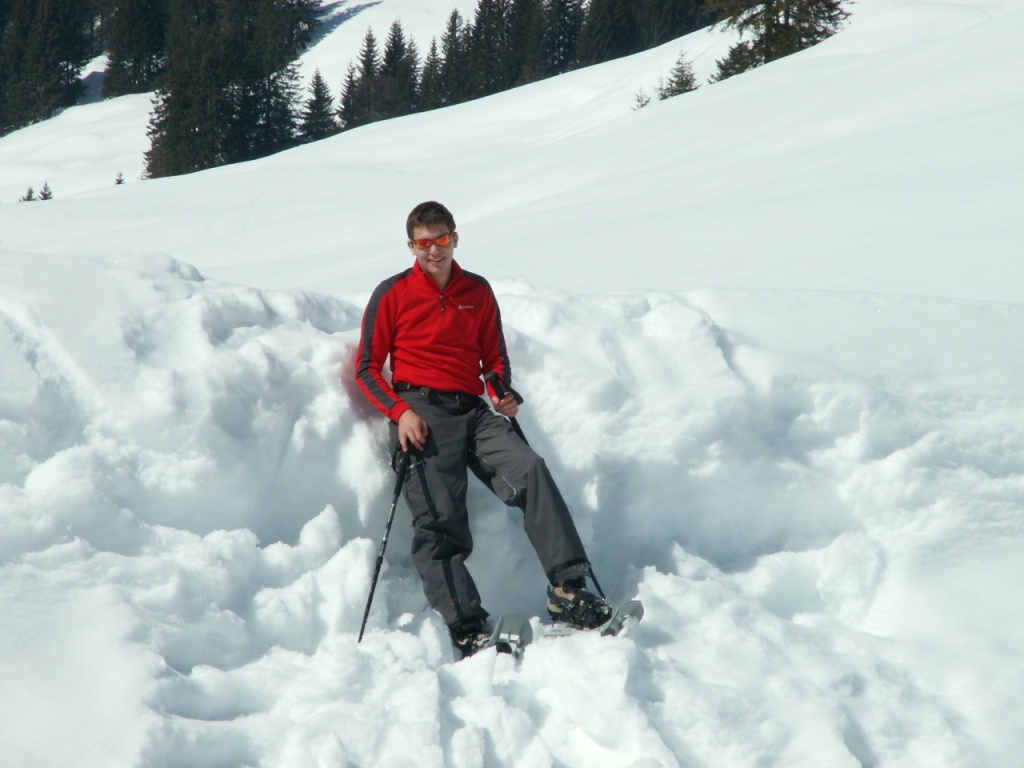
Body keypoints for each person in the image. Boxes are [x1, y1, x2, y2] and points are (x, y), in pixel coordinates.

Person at [355, 201, 611, 656]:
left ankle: (568, 590)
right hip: (421, 410)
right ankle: (465, 622)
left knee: (530, 469)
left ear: (455, 238)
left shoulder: (477, 290)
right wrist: (400, 412)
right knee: (440, 518)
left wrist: (500, 390)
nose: (434, 250)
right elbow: (367, 368)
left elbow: (493, 356)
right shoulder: (391, 293)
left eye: (442, 239)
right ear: (411, 246)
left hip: (472, 410)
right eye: (423, 243)